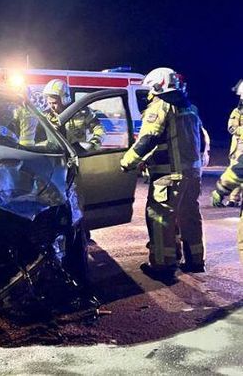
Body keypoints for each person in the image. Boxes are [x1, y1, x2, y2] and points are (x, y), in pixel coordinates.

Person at [120, 67, 206, 280]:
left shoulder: (160, 107)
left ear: (157, 87)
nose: (148, 94)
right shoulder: (190, 108)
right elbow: (201, 141)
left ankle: (162, 265)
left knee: (159, 219)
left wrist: (127, 162)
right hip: (192, 175)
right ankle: (195, 261)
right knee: (189, 217)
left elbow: (149, 139)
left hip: (168, 176)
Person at [41, 79, 105, 152]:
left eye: (55, 103)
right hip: (55, 156)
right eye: (50, 103)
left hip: (78, 155)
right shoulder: (45, 116)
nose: (52, 106)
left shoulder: (82, 113)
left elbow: (99, 128)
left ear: (64, 99)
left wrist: (93, 144)